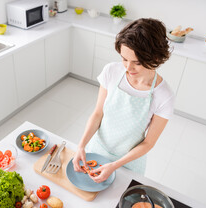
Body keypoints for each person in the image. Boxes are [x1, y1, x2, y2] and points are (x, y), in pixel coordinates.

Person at [72, 18, 175, 183]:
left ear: (156, 58)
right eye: (124, 59)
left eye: (137, 63)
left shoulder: (164, 96)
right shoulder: (111, 71)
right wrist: (81, 146)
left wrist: (114, 165)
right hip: (98, 148)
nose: (128, 67)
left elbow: (148, 143)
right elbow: (98, 113)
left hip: (129, 162)